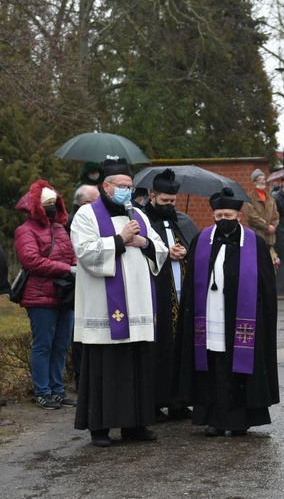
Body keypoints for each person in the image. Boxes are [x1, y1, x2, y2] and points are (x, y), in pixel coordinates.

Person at [71, 157, 169, 447]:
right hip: (104, 307)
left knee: (135, 364)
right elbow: (85, 252)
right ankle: (99, 428)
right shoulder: (87, 215)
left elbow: (159, 249)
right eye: (122, 186)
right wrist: (118, 239)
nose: (128, 191)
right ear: (106, 186)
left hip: (136, 305)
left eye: (130, 185)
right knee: (104, 367)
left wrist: (145, 244)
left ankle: (135, 424)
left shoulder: (138, 214)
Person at [176, 187, 279, 437]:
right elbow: (191, 284)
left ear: (239, 216)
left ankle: (239, 419)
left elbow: (266, 286)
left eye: (228, 216)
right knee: (212, 365)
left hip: (242, 318)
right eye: (219, 215)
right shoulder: (202, 240)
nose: (223, 220)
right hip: (209, 315)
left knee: (238, 366)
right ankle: (213, 418)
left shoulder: (254, 243)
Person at [14, 180, 77, 410]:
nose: (51, 207)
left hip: (64, 295)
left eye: (54, 202)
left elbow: (71, 254)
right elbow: (31, 261)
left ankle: (57, 389)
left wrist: (73, 266)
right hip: (39, 297)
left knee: (61, 344)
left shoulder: (60, 229)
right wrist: (66, 269)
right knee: (43, 345)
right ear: (36, 206)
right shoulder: (24, 231)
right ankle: (43, 391)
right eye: (47, 203)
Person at [142, 168, 199, 420]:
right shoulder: (143, 220)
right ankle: (154, 403)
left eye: (173, 202)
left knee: (180, 347)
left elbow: (195, 246)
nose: (169, 206)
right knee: (158, 348)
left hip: (181, 291)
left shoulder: (183, 221)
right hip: (156, 294)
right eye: (164, 201)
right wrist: (166, 254)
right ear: (152, 196)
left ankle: (178, 401)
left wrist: (186, 251)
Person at [65, 184, 100, 389]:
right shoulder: (75, 220)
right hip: (75, 281)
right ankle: (81, 377)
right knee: (79, 332)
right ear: (82, 203)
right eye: (93, 201)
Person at [242, 169, 279, 252]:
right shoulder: (249, 198)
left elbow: (275, 215)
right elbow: (251, 217)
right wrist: (266, 226)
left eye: (264, 179)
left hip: (270, 238)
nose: (263, 182)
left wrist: (273, 225)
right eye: (260, 179)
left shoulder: (270, 198)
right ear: (254, 182)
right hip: (257, 236)